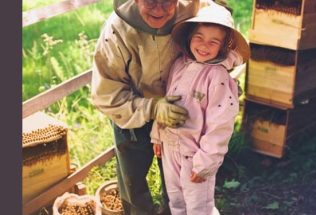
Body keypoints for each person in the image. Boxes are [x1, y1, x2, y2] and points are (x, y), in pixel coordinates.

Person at [91, 0, 213, 214]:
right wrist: (153, 108)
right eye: (150, 1)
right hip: (131, 113)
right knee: (133, 181)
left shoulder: (197, 13)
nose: (159, 10)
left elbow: (220, 40)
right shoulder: (116, 31)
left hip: (179, 113)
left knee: (177, 181)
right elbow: (106, 94)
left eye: (167, 2)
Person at [150, 3, 250, 215]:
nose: (204, 45)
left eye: (214, 42)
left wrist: (205, 163)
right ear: (189, 36)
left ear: (223, 46)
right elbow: (167, 102)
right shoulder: (180, 64)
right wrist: (157, 136)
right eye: (199, 37)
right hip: (170, 150)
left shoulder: (218, 77)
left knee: (199, 208)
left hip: (195, 156)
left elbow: (220, 125)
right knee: (176, 202)